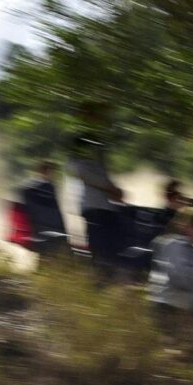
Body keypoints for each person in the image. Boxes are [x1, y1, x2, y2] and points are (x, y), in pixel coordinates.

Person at [68, 108, 125, 268]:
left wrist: (113, 190)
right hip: (93, 207)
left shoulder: (98, 154)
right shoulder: (79, 153)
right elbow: (84, 174)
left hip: (105, 207)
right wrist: (111, 188)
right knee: (99, 248)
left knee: (109, 247)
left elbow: (101, 176)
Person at [16, 159, 67, 255]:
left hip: (51, 225)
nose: (53, 174)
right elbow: (23, 195)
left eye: (53, 171)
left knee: (50, 251)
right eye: (51, 171)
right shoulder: (35, 185)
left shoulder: (51, 186)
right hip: (41, 224)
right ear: (43, 171)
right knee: (45, 251)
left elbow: (55, 207)